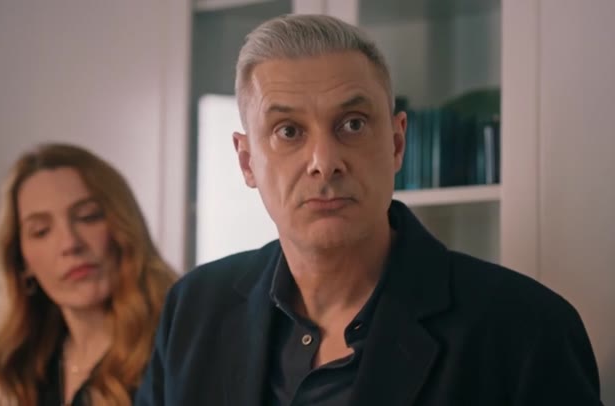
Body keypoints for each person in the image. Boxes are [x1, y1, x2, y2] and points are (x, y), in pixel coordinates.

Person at [135, 14, 603, 406]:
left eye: (353, 124)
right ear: (246, 161)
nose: (324, 162)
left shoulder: (524, 329)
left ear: (397, 142)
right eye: (288, 131)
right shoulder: (192, 311)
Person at [0, 143, 177, 405]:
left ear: (123, 227)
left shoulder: (176, 346)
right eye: (41, 231)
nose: (70, 243)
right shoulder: (28, 365)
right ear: (22, 262)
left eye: (88, 217)